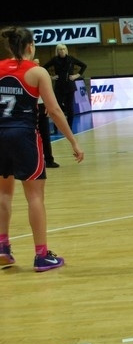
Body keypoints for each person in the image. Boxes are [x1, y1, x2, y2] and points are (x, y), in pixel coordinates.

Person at [0, 26, 85, 272]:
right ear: (30, 47)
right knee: (35, 196)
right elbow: (55, 110)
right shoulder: (37, 72)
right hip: (23, 135)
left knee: (4, 193)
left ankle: (3, 247)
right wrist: (73, 141)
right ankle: (41, 255)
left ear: (9, 46)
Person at [42, 43, 87, 132]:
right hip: (59, 86)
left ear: (66, 50)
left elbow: (84, 66)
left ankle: (69, 127)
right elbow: (44, 67)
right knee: (56, 107)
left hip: (69, 86)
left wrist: (76, 75)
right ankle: (55, 128)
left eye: (63, 49)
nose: (62, 51)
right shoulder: (55, 60)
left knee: (70, 107)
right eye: (60, 49)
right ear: (57, 51)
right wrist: (51, 76)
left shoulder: (71, 59)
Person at [34, 59, 59, 168]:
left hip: (42, 105)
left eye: (38, 62)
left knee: (45, 134)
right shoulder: (28, 75)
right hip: (30, 108)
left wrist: (48, 105)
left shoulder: (42, 75)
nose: (37, 64)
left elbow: (48, 93)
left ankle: (49, 159)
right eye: (35, 62)